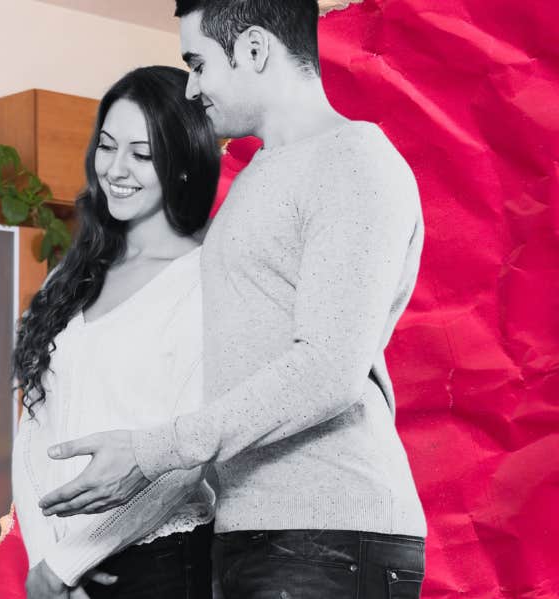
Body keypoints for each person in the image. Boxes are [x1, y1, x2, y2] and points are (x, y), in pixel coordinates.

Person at [36, 1, 429, 597]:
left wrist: (150, 451)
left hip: (328, 536)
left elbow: (328, 369)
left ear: (253, 49)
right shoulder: (259, 177)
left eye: (198, 63)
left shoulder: (355, 163)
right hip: (258, 533)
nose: (191, 88)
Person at [10, 65, 221, 599]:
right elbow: (33, 427)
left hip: (158, 563)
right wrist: (45, 560)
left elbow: (186, 456)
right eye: (107, 147)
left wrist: (69, 563)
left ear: (182, 165)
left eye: (142, 154)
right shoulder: (73, 273)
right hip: (55, 564)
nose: (116, 169)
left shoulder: (203, 280)